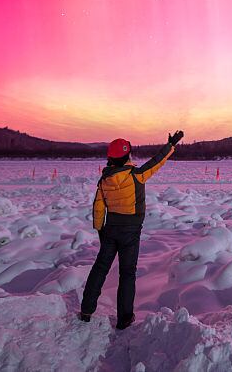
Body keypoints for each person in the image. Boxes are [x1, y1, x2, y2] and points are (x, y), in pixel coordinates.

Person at [79, 129, 183, 328]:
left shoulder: (104, 180)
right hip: (131, 232)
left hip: (110, 230)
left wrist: (101, 230)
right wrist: (171, 145)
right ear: (127, 155)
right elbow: (156, 162)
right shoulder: (137, 175)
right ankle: (125, 318)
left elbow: (98, 207)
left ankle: (86, 309)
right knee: (127, 274)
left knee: (100, 269)